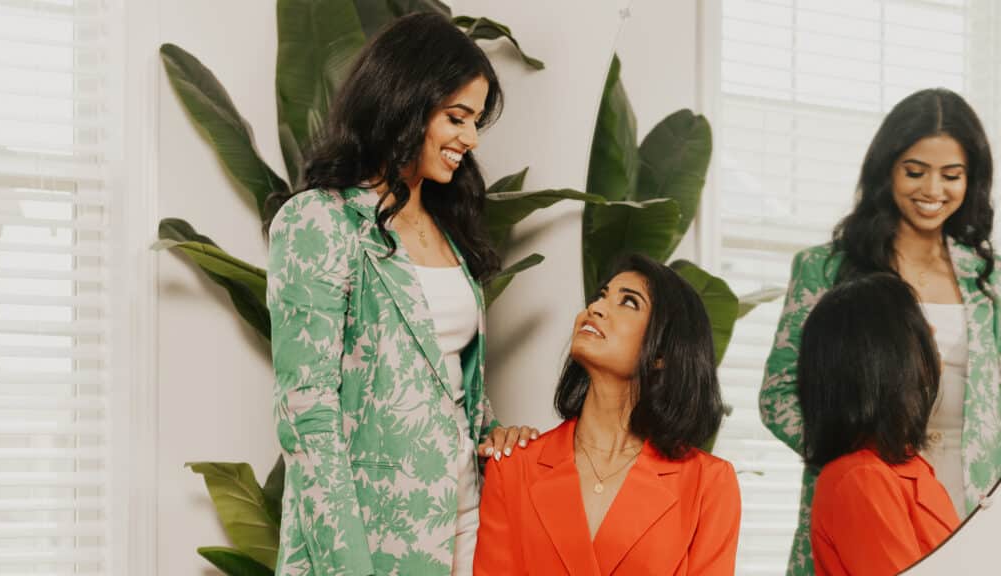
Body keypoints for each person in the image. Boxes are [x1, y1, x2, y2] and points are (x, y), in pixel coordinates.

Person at [265, 13, 537, 576]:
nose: (471, 138)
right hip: (369, 536)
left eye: (477, 120)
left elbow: (449, 383)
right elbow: (306, 413)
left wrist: (494, 434)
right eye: (456, 117)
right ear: (403, 104)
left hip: (465, 518)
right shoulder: (319, 220)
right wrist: (350, 566)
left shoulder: (448, 229)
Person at [760, 87, 1001, 575]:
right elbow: (777, 394)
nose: (933, 190)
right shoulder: (825, 269)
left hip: (974, 492)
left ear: (971, 180)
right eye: (915, 171)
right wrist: (859, 459)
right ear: (885, 170)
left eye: (951, 175)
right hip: (869, 491)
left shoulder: (990, 279)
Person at [474, 254, 741, 575]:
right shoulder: (514, 466)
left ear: (661, 354)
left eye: (628, 302)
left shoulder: (708, 484)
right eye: (600, 296)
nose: (595, 308)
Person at [799, 273, 960, 575]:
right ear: (884, 356)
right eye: (916, 325)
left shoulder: (908, 468)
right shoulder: (862, 478)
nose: (931, 331)